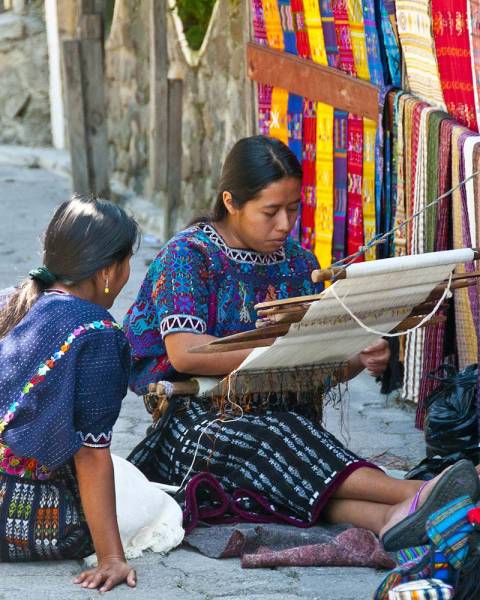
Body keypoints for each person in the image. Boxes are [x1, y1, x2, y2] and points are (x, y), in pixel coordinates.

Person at [124, 136, 479, 544]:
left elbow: (319, 369)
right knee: (271, 441)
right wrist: (278, 352)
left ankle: (390, 519)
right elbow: (185, 353)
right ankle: (424, 493)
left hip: (288, 421)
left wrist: (358, 356)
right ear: (230, 201)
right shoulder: (189, 256)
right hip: (198, 422)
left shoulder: (299, 264)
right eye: (270, 211)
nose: (284, 224)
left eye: (293, 209)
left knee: (289, 454)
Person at [0, 195, 139, 592]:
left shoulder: (12, 302)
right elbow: (91, 456)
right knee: (147, 501)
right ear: (108, 270)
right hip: (25, 520)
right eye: (127, 262)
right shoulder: (99, 335)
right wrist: (111, 557)